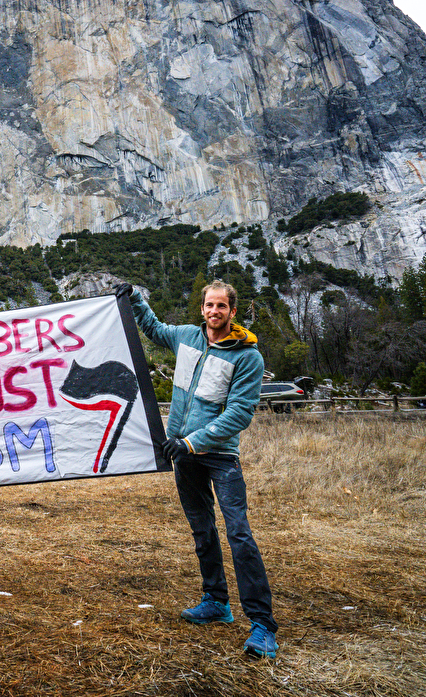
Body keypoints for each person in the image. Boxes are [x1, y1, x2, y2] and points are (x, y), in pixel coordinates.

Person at [115, 279, 279, 659]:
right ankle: (217, 602)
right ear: (202, 308)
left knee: (239, 534)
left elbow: (239, 414)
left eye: (222, 306)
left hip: (219, 455)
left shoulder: (247, 356)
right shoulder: (187, 337)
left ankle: (262, 626)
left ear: (232, 312)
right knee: (202, 528)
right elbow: (154, 328)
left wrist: (190, 442)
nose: (214, 312)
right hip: (184, 454)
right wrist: (135, 298)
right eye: (209, 305)